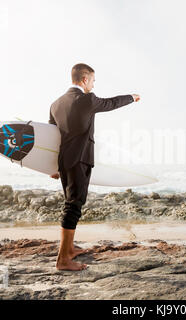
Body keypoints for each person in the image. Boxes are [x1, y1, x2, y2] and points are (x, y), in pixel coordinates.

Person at [48, 63, 140, 271]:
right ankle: (63, 260)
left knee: (71, 203)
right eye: (93, 80)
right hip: (80, 159)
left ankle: (69, 249)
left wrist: (54, 167)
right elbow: (110, 103)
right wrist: (131, 97)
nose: (93, 84)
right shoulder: (87, 99)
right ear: (84, 80)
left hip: (65, 161)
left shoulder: (55, 104)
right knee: (73, 206)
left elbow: (52, 138)